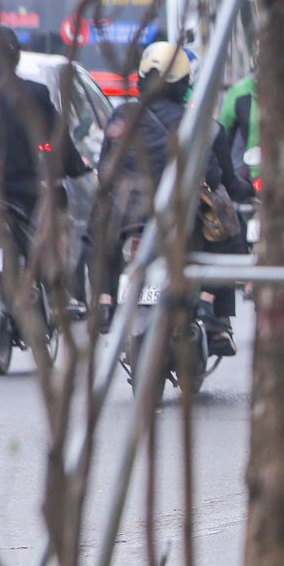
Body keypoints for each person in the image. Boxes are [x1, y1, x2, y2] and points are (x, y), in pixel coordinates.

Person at [99, 41, 245, 352]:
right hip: (182, 218)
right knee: (231, 233)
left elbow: (104, 172)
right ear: (184, 83)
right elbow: (218, 178)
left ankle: (104, 300)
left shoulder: (120, 117)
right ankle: (211, 309)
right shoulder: (201, 123)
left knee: (96, 237)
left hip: (126, 216)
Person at [0, 26, 90, 270]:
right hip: (22, 194)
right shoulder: (35, 93)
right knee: (45, 254)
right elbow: (58, 141)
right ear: (16, 56)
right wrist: (75, 166)